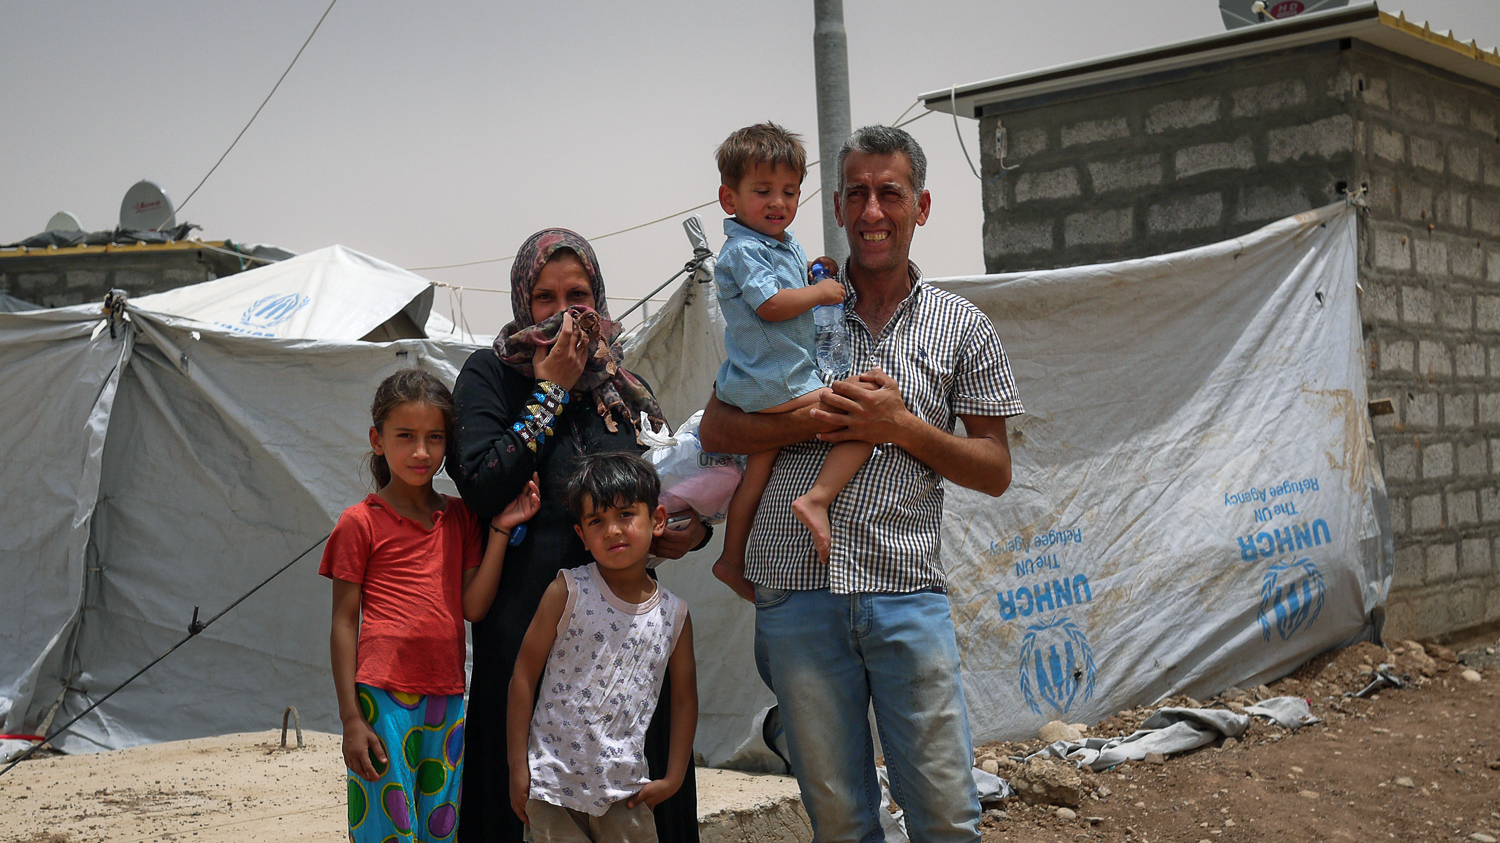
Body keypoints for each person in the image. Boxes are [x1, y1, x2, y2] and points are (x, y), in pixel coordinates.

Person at [699, 125, 1025, 843]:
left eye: (890, 193)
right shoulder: (795, 306)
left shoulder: (962, 327)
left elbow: (995, 469)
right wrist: (817, 423)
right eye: (856, 194)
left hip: (906, 590)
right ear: (839, 210)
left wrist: (899, 425)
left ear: (922, 205)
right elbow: (718, 429)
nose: (873, 210)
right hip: (796, 594)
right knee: (841, 820)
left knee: (944, 811)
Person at [448, 229, 707, 843]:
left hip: (627, 640)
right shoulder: (490, 375)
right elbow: (482, 484)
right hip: (528, 630)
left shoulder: (617, 383)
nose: (564, 310)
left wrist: (685, 533)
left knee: (634, 809)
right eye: (545, 296)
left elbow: (649, 489)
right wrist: (551, 392)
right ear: (521, 301)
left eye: (579, 292)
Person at [321, 368, 541, 843]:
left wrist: (501, 528)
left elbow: (473, 607)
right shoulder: (359, 523)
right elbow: (343, 623)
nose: (421, 453)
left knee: (441, 825)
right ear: (378, 440)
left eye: (434, 438)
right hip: (381, 696)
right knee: (390, 829)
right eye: (406, 437)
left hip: (446, 695)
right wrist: (350, 719)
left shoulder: (459, 517)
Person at [709, 122, 870, 592]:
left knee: (757, 470)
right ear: (729, 200)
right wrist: (820, 292)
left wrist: (816, 276)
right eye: (763, 191)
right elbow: (772, 304)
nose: (778, 202)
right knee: (862, 417)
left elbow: (794, 286)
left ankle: (730, 559)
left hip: (762, 378)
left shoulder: (781, 243)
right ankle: (817, 499)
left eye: (790, 191)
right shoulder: (742, 250)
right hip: (776, 381)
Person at [508, 452, 697, 842]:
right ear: (582, 535)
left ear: (657, 520)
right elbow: (523, 675)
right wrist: (517, 769)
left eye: (626, 514)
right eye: (597, 521)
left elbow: (684, 699)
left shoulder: (673, 614)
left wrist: (674, 776)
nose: (612, 530)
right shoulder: (568, 590)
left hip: (625, 794)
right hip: (551, 788)